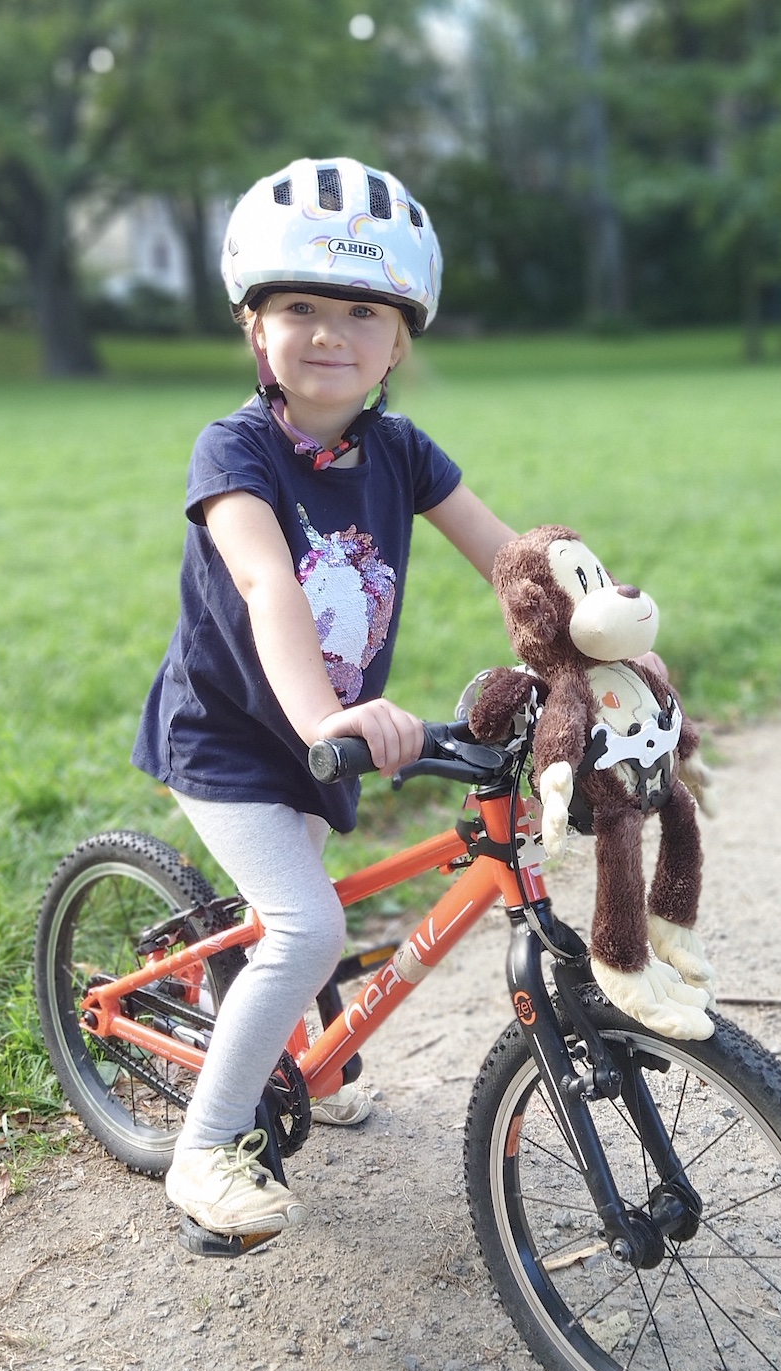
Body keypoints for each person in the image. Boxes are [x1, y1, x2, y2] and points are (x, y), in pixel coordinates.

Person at [132, 157, 516, 1242]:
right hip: (234, 735)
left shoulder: (399, 448)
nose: (329, 332)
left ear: (401, 340)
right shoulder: (236, 448)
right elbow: (265, 583)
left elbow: (503, 554)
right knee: (305, 927)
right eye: (297, 306)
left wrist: (595, 623)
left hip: (319, 737)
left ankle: (306, 1056)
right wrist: (321, 722)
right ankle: (204, 1150)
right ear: (256, 329)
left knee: (288, 919)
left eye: (361, 310)